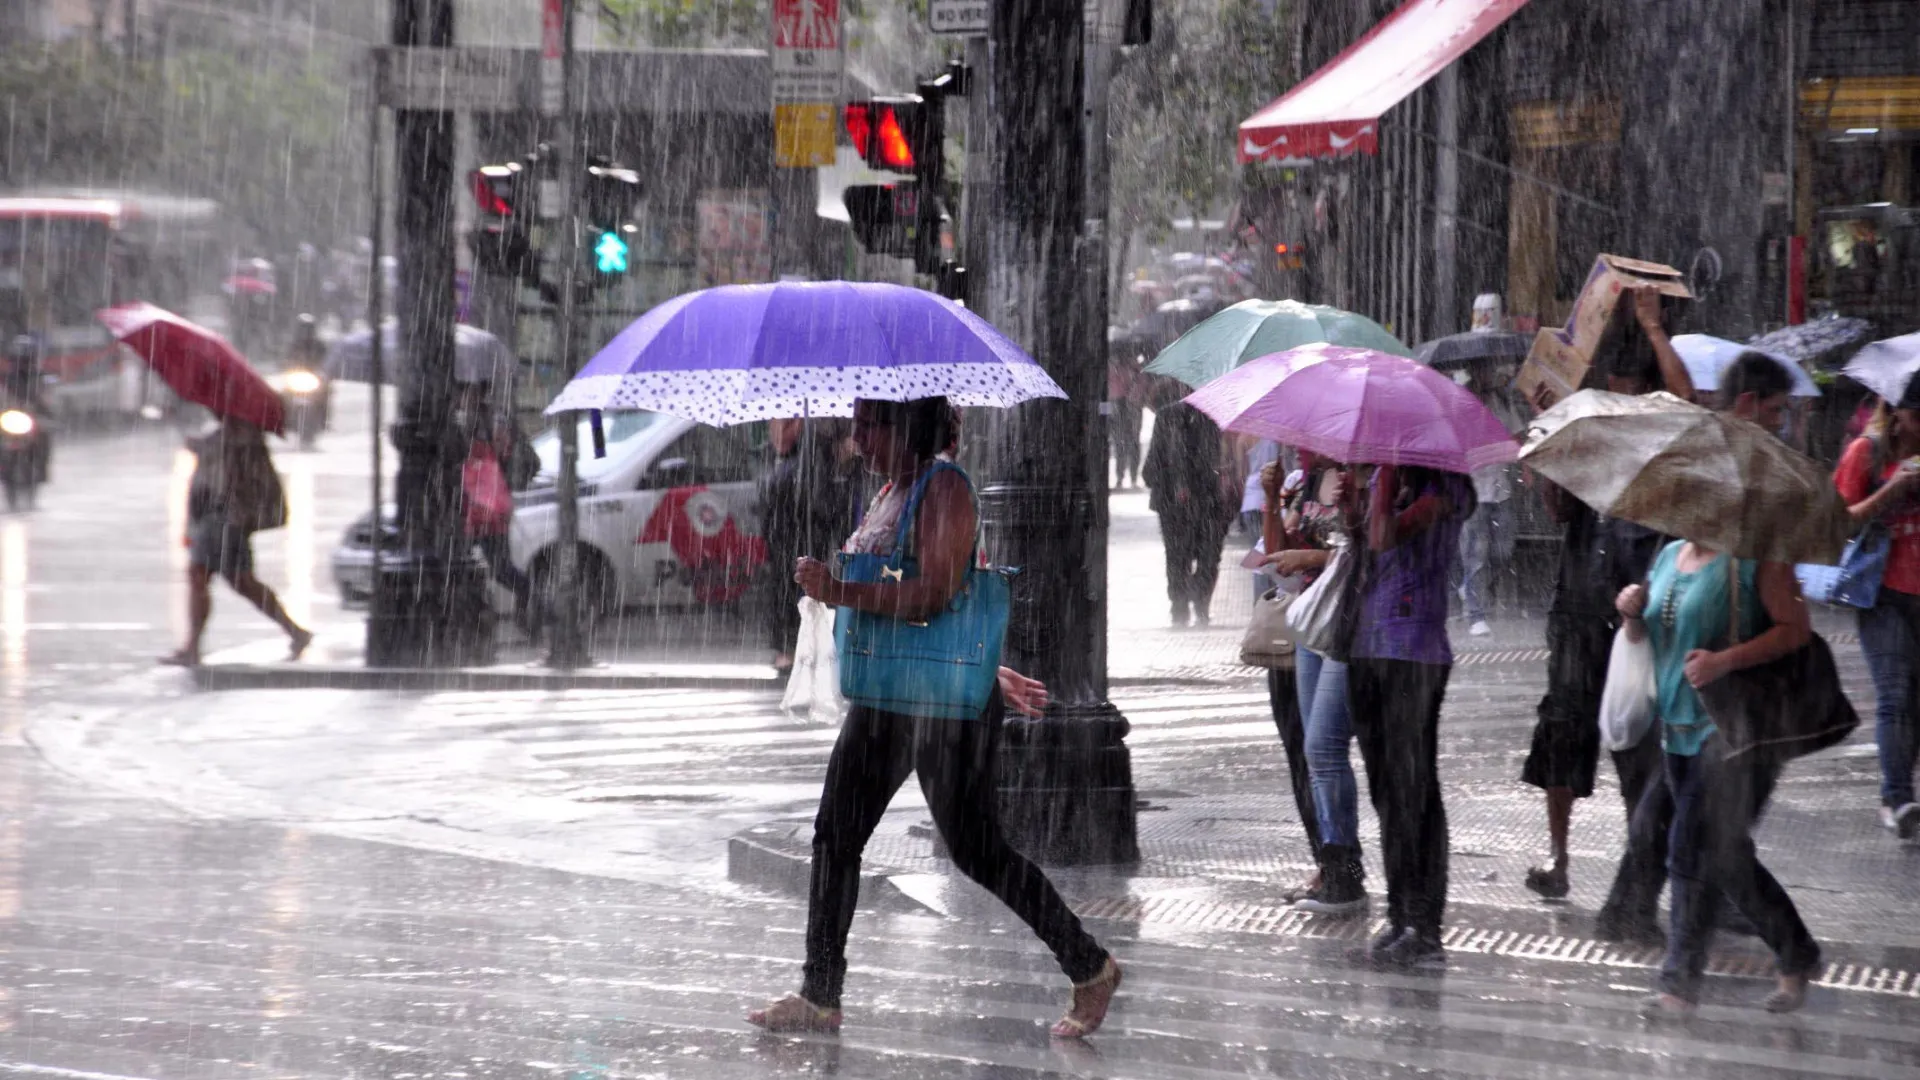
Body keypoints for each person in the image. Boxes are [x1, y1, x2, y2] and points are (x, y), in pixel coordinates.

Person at [748, 396, 1120, 1039]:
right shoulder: (890, 491)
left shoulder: (944, 488)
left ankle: (1089, 965)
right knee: (835, 836)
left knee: (977, 850)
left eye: (870, 425)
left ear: (909, 425)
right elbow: (931, 614)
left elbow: (934, 595)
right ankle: (820, 993)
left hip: (943, 711)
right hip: (888, 697)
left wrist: (838, 590)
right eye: (856, 425)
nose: (857, 438)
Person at [1595, 352, 1793, 942]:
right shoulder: (1716, 466)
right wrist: (1643, 604)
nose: (1781, 422)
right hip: (1698, 672)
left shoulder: (1744, 468)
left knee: (1685, 813)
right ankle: (1670, 920)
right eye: (1776, 411)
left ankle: (1671, 917)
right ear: (1749, 404)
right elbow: (1656, 552)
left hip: (1725, 675)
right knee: (1679, 813)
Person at [1521, 291, 1694, 907]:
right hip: (1579, 603)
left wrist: (1652, 326)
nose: (1618, 400)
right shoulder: (1587, 428)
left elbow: (1686, 401)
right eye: (1612, 390)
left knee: (1637, 740)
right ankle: (1558, 857)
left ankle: (1641, 865)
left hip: (1638, 609)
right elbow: (1557, 509)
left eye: (1629, 391)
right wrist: (1548, 442)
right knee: (1563, 727)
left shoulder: (1664, 437)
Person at [1616, 540, 1820, 1016]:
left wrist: (1725, 661)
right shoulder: (1670, 556)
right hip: (1677, 729)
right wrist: (1630, 613)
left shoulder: (1757, 560)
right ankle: (1796, 952)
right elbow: (1651, 636)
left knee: (1688, 850)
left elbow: (1796, 631)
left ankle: (1678, 986)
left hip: (1734, 734)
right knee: (1726, 858)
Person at [1345, 463, 1474, 969]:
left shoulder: (1445, 488)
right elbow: (1364, 545)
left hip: (1414, 651)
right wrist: (1352, 504)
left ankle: (1425, 924)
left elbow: (1384, 537)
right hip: (1367, 646)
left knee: (1413, 789)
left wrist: (1384, 481)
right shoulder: (1389, 479)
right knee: (1385, 791)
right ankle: (1400, 913)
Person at [1261, 451, 1369, 918]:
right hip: (1310, 622)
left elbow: (1370, 550)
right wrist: (1270, 498)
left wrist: (1311, 556)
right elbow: (1274, 551)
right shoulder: (1306, 481)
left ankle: (1344, 872)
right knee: (1314, 752)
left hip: (1351, 619)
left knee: (1325, 747)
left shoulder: (1362, 477)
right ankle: (1333, 866)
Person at [1834, 395, 1920, 840]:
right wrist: (1892, 489)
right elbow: (1837, 521)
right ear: (1897, 412)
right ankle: (1897, 797)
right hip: (1882, 592)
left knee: (1915, 702)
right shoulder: (1865, 453)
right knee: (1895, 694)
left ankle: (1900, 789)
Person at [162, 418, 311, 667]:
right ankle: (295, 632)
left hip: (224, 521)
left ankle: (193, 648)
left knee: (213, 578)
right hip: (217, 520)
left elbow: (230, 473)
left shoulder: (242, 437)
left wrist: (201, 447)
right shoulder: (231, 434)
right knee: (239, 582)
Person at [758, 417, 858, 672]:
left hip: (814, 504)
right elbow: (781, 441)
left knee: (807, 577)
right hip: (797, 506)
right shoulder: (801, 421)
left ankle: (803, 646)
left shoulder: (832, 423)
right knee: (792, 578)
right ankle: (791, 647)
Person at [1144, 397, 1234, 627]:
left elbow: (1152, 466)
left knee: (1180, 557)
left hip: (1194, 503)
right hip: (1199, 502)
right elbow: (1153, 465)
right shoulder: (1216, 419)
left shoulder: (1170, 416)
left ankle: (1182, 606)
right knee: (1201, 556)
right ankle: (1193, 604)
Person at [1457, 364, 1523, 637]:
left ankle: (1469, 586)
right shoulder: (1459, 403)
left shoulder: (1500, 400)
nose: (1488, 376)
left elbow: (1516, 435)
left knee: (1502, 550)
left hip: (1500, 488)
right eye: (1483, 371)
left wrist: (1524, 464)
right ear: (1474, 372)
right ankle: (1476, 614)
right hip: (1472, 490)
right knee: (1475, 555)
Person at [1108, 347, 1145, 489]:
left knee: (1132, 442)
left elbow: (1141, 387)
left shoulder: (1135, 370)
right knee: (1120, 443)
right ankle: (1121, 477)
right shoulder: (1112, 369)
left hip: (1131, 406)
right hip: (1119, 405)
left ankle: (1132, 477)